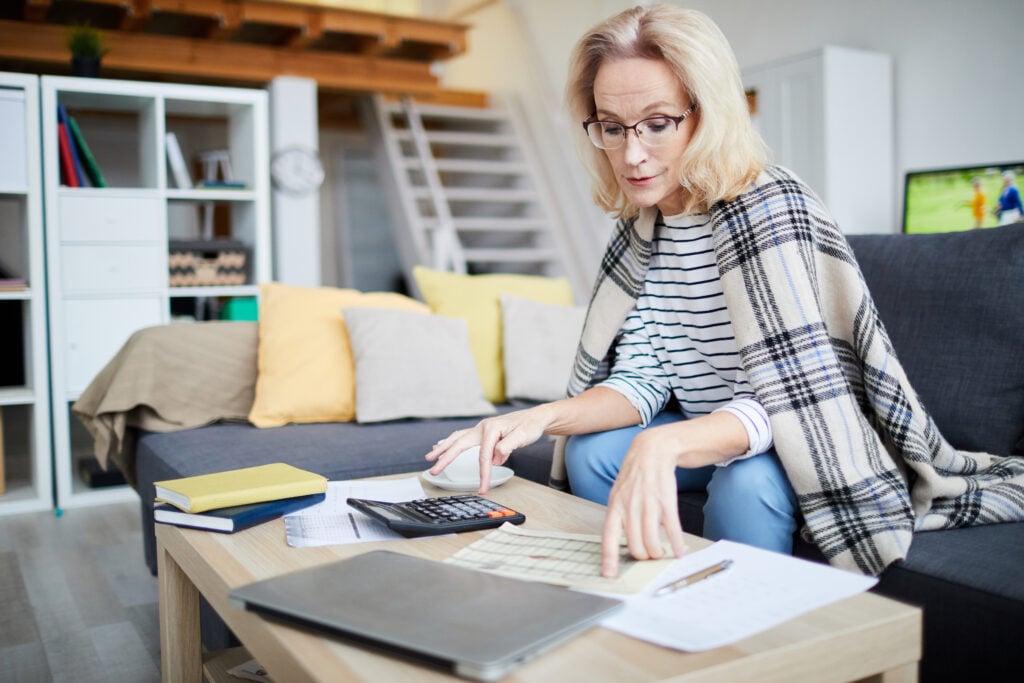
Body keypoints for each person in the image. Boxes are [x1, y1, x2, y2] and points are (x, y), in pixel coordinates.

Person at [426, 4, 1024, 579]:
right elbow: (643, 379)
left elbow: (791, 399)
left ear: (707, 113)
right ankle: (643, 586)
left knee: (747, 480)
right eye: (612, 127)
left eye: (658, 124)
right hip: (712, 421)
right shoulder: (639, 235)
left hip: (793, 432)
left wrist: (669, 442)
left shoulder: (772, 208)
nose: (632, 154)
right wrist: (538, 419)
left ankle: (741, 636)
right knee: (588, 451)